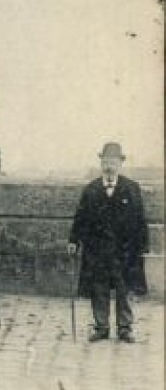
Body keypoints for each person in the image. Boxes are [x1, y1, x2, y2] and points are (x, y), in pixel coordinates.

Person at [68, 142, 148, 343]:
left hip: (125, 250)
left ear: (120, 163)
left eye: (113, 161)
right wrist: (74, 240)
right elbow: (81, 217)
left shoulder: (131, 188)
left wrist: (142, 246)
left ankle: (125, 327)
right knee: (99, 288)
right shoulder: (91, 189)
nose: (109, 166)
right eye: (105, 161)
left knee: (124, 289)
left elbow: (140, 220)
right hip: (98, 250)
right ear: (101, 163)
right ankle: (101, 326)